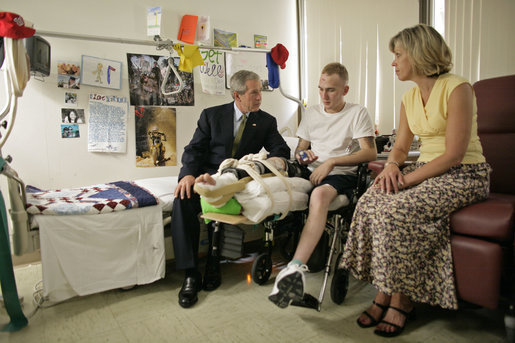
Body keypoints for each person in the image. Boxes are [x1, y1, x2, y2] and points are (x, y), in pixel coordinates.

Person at [341, 24, 491, 338]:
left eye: (398, 55)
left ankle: (401, 299)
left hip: (464, 174)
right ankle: (384, 289)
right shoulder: (409, 97)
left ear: (419, 54)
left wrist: (407, 183)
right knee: (369, 202)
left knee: (397, 209)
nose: (393, 62)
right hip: (427, 171)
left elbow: (453, 155)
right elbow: (399, 146)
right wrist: (393, 167)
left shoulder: (458, 87)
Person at [171, 70, 290, 309]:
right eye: (254, 92)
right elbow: (194, 150)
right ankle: (191, 274)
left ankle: (215, 262)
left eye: (260, 91)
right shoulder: (211, 116)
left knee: (233, 202)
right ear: (237, 95)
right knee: (182, 201)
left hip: (239, 181)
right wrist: (187, 176)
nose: (259, 97)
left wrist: (271, 163)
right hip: (209, 177)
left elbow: (281, 150)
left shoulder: (265, 121)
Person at [267, 62, 377, 308]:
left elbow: (370, 152)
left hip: (340, 174)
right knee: (276, 184)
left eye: (331, 90)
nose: (324, 96)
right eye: (321, 89)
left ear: (345, 90)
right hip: (311, 172)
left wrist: (331, 162)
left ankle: (294, 269)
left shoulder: (357, 113)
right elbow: (300, 150)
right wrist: (304, 156)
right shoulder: (312, 113)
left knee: (318, 197)